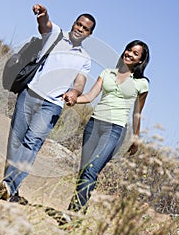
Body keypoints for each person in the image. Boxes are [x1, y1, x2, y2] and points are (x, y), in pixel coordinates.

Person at [0, 3, 96, 202]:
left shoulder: (85, 58)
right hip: (30, 93)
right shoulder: (57, 35)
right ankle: (10, 187)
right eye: (78, 24)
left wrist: (75, 93)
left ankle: (9, 185)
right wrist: (43, 15)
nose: (80, 29)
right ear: (74, 24)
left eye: (85, 29)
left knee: (32, 142)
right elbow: (45, 25)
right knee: (16, 140)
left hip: (52, 105)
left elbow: (80, 81)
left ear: (89, 35)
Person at [62, 39, 150, 217]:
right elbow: (89, 96)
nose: (129, 54)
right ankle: (80, 210)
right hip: (94, 124)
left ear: (140, 60)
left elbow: (137, 112)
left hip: (115, 129)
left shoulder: (142, 83)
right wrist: (73, 100)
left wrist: (136, 137)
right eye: (128, 50)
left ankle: (73, 215)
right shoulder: (107, 73)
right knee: (83, 170)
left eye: (135, 53)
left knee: (92, 169)